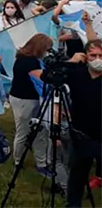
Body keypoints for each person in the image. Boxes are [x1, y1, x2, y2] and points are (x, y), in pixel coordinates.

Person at [63, 40, 102, 207]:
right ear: (86, 57)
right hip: (81, 134)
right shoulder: (77, 73)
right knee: (77, 176)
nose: (97, 59)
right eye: (93, 55)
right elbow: (48, 76)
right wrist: (70, 61)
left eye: (101, 56)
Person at [8, 34, 52, 175]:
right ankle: (17, 160)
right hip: (24, 99)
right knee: (24, 131)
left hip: (32, 98)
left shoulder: (26, 58)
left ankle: (42, 162)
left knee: (40, 131)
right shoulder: (29, 62)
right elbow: (43, 77)